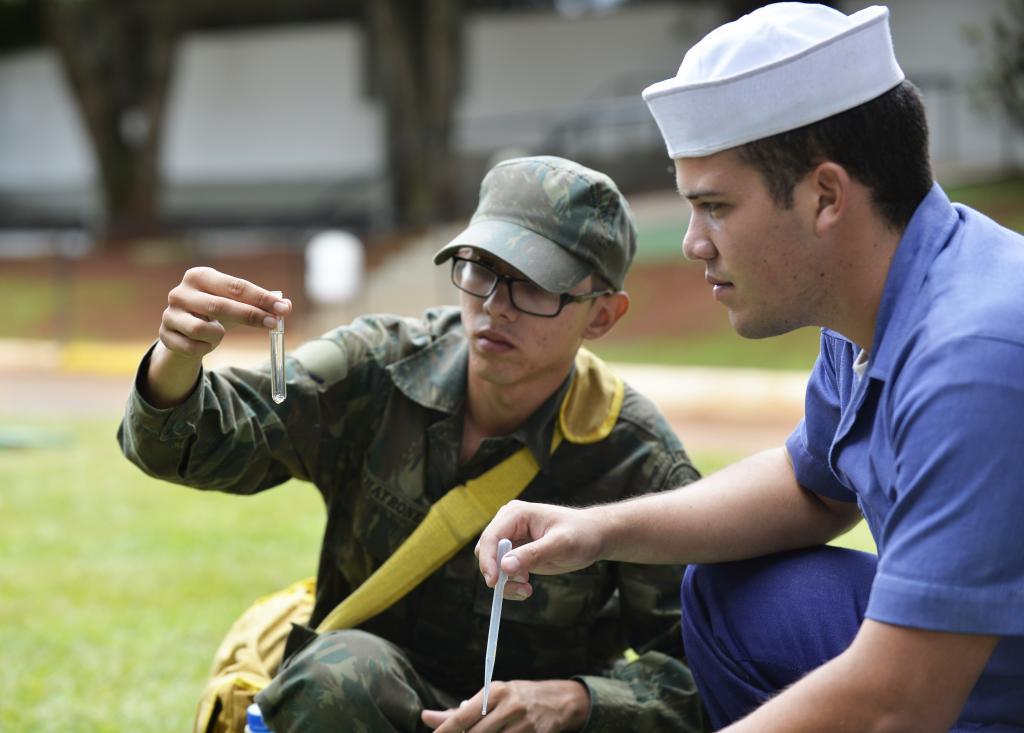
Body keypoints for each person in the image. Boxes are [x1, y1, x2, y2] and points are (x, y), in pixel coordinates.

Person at [475, 5, 1024, 733]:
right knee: (732, 593)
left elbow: (902, 699)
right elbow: (812, 486)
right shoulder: (881, 302)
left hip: (958, 682)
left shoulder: (973, 357)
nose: (695, 243)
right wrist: (596, 531)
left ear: (826, 196)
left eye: (715, 207)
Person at [118, 155, 708, 732]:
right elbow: (195, 443)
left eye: (534, 286)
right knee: (339, 676)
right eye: (480, 269)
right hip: (365, 705)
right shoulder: (379, 365)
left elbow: (701, 674)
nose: (495, 307)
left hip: (527, 725)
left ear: (602, 315)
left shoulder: (639, 461)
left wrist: (577, 702)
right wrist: (177, 356)